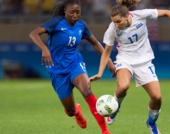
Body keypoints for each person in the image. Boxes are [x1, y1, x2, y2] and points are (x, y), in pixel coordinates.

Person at [89, 0, 170, 134]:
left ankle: (151, 123)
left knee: (157, 98)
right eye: (114, 21)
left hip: (144, 62)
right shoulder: (112, 29)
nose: (116, 24)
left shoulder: (141, 15)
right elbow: (106, 52)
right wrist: (100, 73)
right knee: (123, 86)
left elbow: (167, 12)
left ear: (127, 16)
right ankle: (115, 107)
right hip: (125, 60)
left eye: (118, 21)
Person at [29, 0, 115, 134]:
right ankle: (76, 112)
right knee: (69, 111)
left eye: (78, 12)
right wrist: (44, 48)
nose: (75, 15)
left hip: (75, 64)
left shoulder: (81, 25)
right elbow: (33, 34)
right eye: (72, 12)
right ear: (65, 11)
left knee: (87, 91)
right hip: (57, 70)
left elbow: (95, 43)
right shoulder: (56, 22)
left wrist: (109, 61)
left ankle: (105, 131)